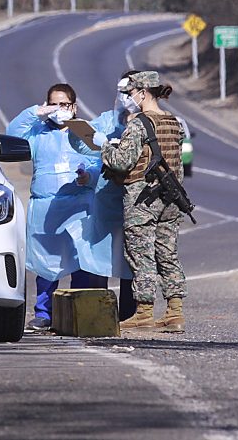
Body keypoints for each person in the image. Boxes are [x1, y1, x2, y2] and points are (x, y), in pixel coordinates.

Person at [6, 83, 107, 330]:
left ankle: (77, 313)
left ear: (74, 106)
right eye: (54, 104)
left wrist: (89, 177)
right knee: (47, 264)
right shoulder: (38, 134)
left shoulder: (85, 132)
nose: (59, 109)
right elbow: (11, 134)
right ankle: (44, 313)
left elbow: (100, 161)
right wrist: (36, 113)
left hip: (79, 206)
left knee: (82, 261)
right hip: (46, 208)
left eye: (64, 104)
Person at [100, 71, 187, 333]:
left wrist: (104, 146)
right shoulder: (174, 122)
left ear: (143, 93)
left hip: (142, 198)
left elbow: (121, 162)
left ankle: (144, 313)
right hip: (171, 198)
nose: (129, 98)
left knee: (142, 254)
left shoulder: (138, 124)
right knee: (167, 253)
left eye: (131, 93)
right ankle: (175, 313)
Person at [68, 71, 141, 320]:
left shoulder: (150, 121)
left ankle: (130, 316)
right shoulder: (108, 121)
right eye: (124, 93)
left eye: (132, 92)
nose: (127, 98)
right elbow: (82, 143)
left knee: (132, 261)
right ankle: (100, 317)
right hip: (107, 199)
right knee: (100, 259)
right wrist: (74, 126)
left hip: (137, 200)